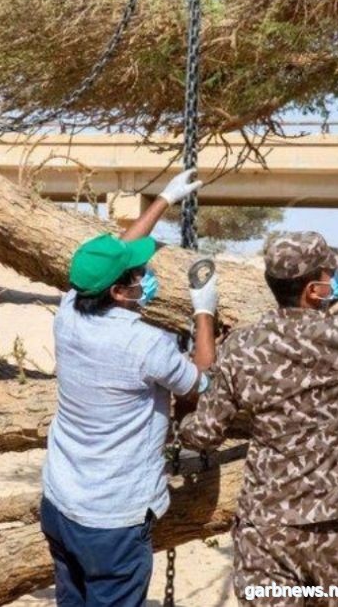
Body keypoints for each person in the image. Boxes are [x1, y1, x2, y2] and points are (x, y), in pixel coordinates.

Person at [179, 156, 338, 606]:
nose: (333, 281)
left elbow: (204, 434)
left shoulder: (243, 347)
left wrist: (179, 421)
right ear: (313, 289)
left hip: (266, 527)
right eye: (329, 274)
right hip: (331, 529)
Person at [39, 170, 218, 607]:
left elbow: (113, 253)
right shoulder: (145, 344)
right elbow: (202, 381)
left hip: (61, 503)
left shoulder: (70, 310)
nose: (146, 274)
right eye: (140, 273)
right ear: (120, 292)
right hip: (113, 521)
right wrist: (203, 312)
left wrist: (164, 200)